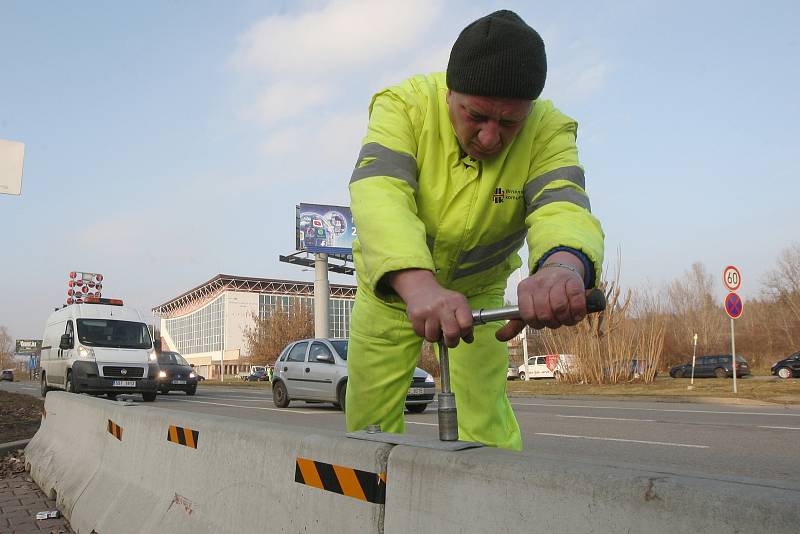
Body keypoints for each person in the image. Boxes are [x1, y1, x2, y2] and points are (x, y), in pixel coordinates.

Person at [345, 10, 604, 450]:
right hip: (392, 294)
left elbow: (562, 204)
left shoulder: (548, 130)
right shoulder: (403, 106)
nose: (488, 138)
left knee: (487, 423)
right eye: (476, 115)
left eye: (508, 124)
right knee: (368, 431)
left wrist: (562, 268)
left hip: (481, 297)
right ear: (450, 92)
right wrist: (417, 284)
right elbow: (380, 193)